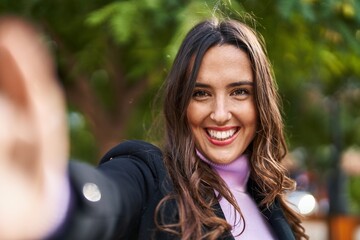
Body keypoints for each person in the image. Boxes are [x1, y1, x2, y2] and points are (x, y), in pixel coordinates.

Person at [0, 15, 308, 240]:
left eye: (239, 92)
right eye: (200, 94)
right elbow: (111, 199)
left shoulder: (267, 197)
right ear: (180, 103)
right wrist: (51, 200)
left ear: (261, 102)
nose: (220, 113)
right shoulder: (150, 176)